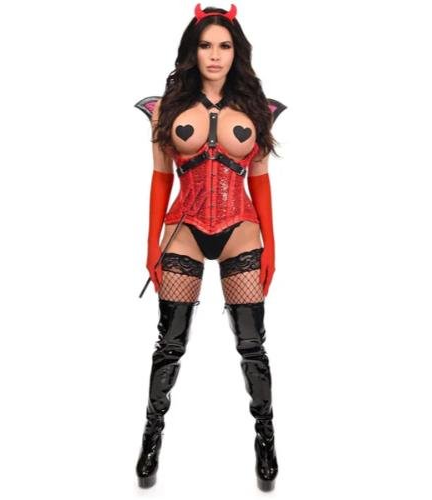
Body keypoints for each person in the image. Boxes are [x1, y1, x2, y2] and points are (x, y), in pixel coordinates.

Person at [133, 3, 286, 492]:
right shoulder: (168, 108)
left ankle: (266, 439)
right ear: (192, 51)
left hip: (241, 228)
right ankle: (151, 439)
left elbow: (260, 180)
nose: (215, 55)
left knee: (252, 345)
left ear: (236, 52)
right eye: (205, 46)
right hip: (183, 231)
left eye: (224, 46)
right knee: (170, 345)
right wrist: (151, 244)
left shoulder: (255, 108)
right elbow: (161, 178)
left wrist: (271, 246)